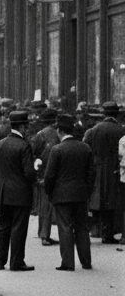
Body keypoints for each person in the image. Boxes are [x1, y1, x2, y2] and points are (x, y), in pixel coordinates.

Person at [44, 113, 96, 271]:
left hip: (61, 195)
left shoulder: (57, 150)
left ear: (59, 131)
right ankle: (86, 262)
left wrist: (50, 193)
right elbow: (91, 174)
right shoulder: (85, 148)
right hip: (81, 194)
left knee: (65, 227)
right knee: (82, 228)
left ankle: (68, 262)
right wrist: (87, 191)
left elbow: (49, 176)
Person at [0, 109, 37, 271]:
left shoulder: (0, 144)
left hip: (3, 192)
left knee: (3, 226)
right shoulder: (24, 145)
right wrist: (35, 175)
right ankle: (16, 262)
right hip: (20, 193)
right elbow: (29, 173)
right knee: (18, 228)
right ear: (23, 127)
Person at [82, 101, 124, 244]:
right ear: (117, 114)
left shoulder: (93, 130)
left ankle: (91, 231)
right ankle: (108, 234)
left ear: (103, 114)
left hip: (97, 170)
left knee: (95, 201)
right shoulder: (121, 130)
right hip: (115, 170)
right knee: (112, 202)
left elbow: (85, 149)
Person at [31, 108, 60, 247]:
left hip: (43, 173)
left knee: (44, 204)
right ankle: (46, 235)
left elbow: (34, 153)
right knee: (53, 205)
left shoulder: (40, 135)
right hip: (57, 173)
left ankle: (42, 233)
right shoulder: (58, 134)